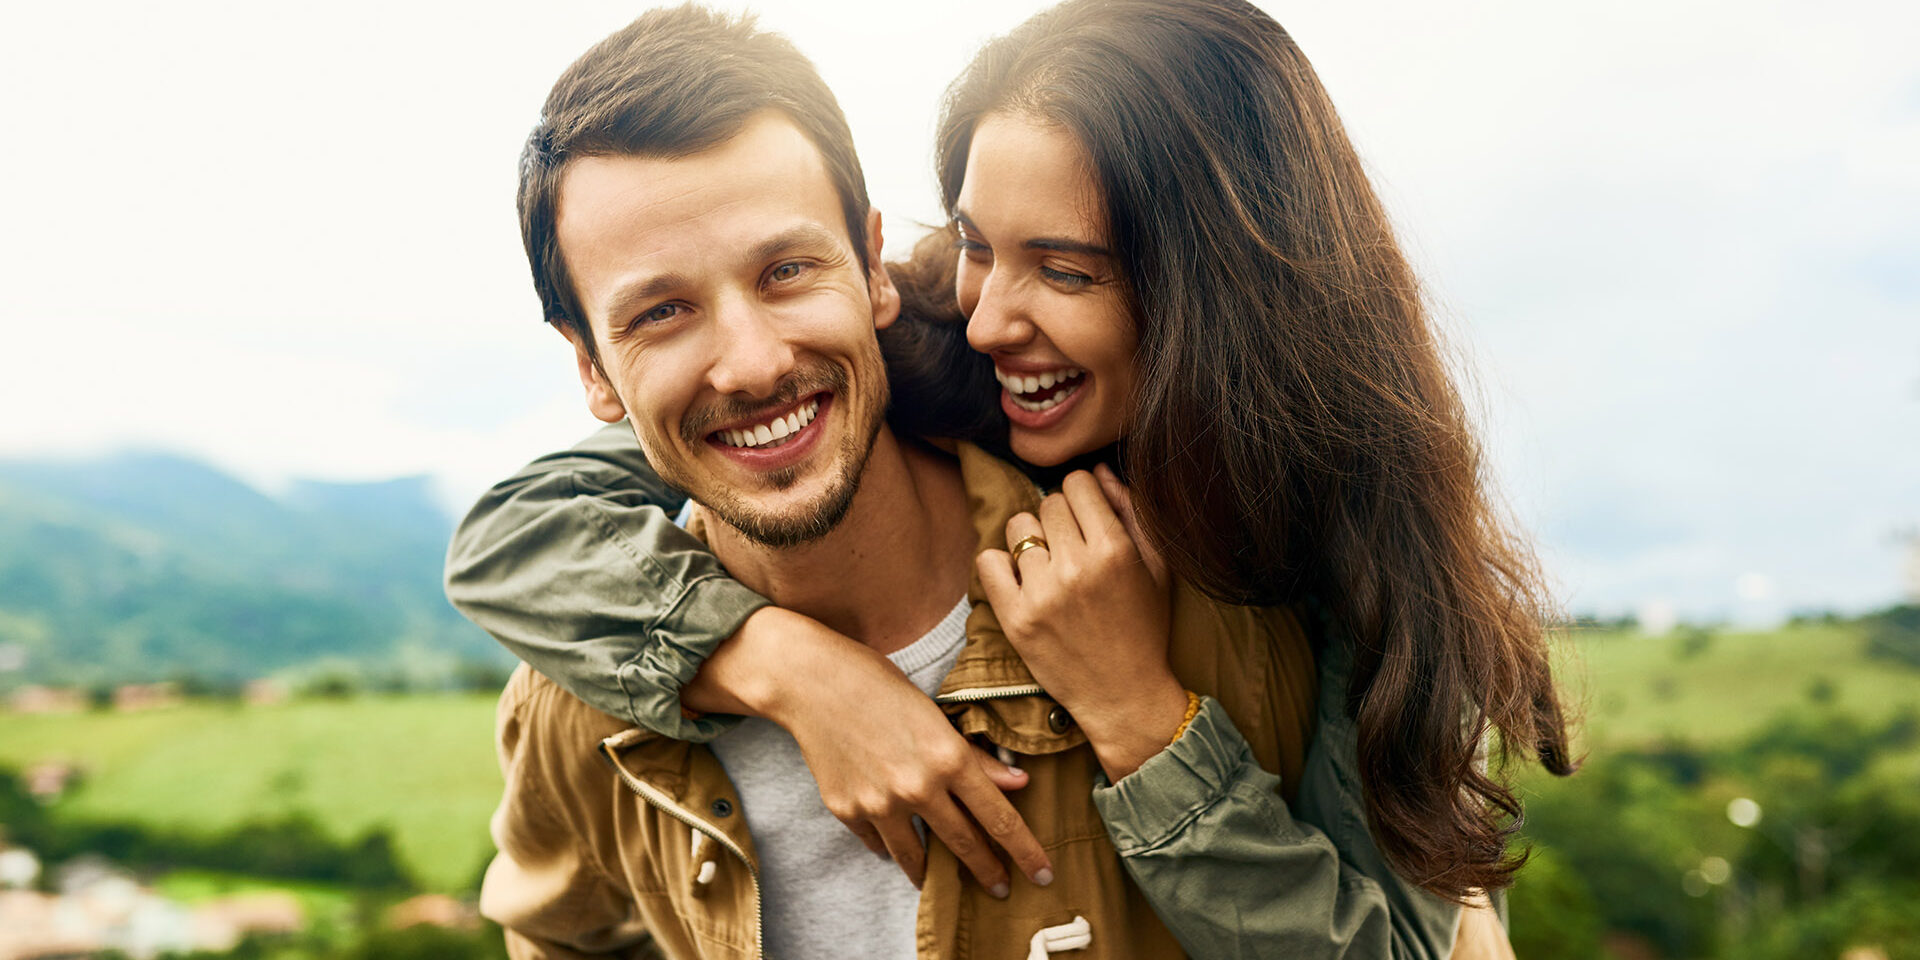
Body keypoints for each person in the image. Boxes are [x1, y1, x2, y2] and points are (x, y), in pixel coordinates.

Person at [451, 0, 1574, 957]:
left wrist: (1145, 724)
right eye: (980, 246)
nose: (991, 317)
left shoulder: (1300, 597)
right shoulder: (922, 345)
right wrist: (782, 664)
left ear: (1213, 309)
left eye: (1069, 269)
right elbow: (522, 527)